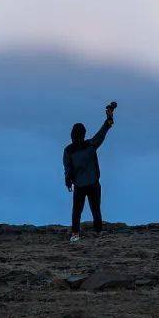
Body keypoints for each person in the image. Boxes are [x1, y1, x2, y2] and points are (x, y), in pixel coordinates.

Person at [63, 101, 115, 242]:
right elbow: (103, 132)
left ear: (73, 134)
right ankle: (97, 232)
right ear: (83, 134)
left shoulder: (69, 150)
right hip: (92, 183)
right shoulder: (90, 145)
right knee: (95, 209)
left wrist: (68, 180)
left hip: (81, 184)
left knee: (77, 211)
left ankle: (75, 233)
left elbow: (67, 167)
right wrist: (109, 119)